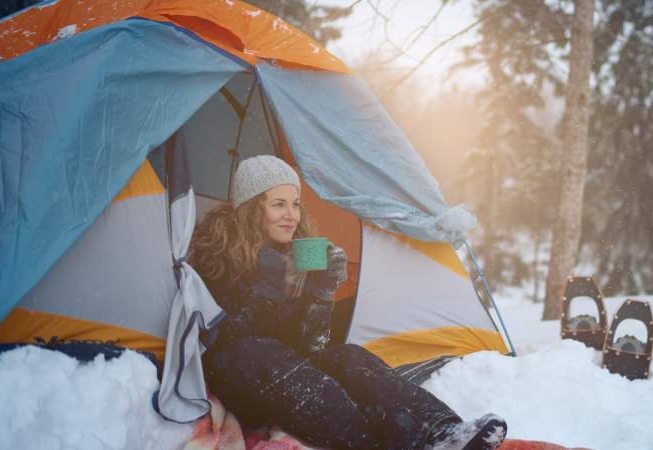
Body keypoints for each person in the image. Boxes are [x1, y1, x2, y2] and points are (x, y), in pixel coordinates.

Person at [190, 155, 507, 450]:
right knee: (256, 351)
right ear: (251, 209)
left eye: (296, 204)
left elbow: (309, 346)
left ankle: (440, 433)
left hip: (288, 379)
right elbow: (226, 341)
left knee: (346, 355)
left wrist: (321, 290)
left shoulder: (297, 253)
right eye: (278, 205)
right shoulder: (217, 254)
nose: (291, 215)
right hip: (239, 379)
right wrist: (267, 287)